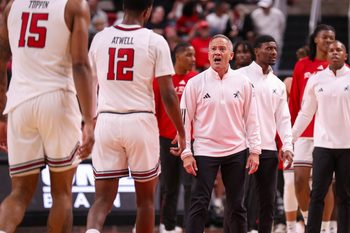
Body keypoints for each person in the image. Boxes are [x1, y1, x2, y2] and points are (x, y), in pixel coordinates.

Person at [85, 1, 186, 233]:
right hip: (140, 120)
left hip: (106, 119)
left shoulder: (100, 38)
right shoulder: (155, 41)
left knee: (101, 200)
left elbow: (89, 83)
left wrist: (89, 121)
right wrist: (182, 132)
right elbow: (169, 94)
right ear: (148, 11)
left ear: (123, 6)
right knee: (146, 202)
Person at [0, 0, 95, 232]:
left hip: (19, 102)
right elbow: (81, 64)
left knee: (19, 193)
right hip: (58, 100)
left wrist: (2, 116)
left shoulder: (12, 6)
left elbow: (1, 59)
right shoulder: (75, 5)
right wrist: (90, 120)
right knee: (61, 193)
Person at [180, 34, 261, 233]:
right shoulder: (195, 83)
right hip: (204, 150)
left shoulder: (243, 82)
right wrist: (186, 153)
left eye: (222, 49)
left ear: (231, 55)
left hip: (236, 150)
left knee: (236, 206)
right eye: (213, 49)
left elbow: (252, 118)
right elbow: (184, 121)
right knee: (198, 203)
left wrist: (255, 150)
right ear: (208, 55)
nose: (217, 52)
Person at [292, 40, 350, 233]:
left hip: (347, 146)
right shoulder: (316, 79)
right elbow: (306, 113)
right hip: (323, 146)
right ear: (327, 55)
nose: (334, 53)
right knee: (317, 194)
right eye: (331, 50)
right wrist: (289, 139)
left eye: (338, 50)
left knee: (345, 196)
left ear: (345, 55)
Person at [238, 35, 293, 233]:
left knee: (267, 202)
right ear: (257, 51)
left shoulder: (278, 84)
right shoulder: (239, 76)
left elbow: (283, 119)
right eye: (269, 48)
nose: (274, 52)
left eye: (275, 49)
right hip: (242, 147)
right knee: (238, 200)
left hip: (268, 149)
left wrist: (287, 146)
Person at [289, 24, 336, 231]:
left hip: (328, 134)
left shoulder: (342, 68)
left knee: (323, 184)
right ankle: (310, 222)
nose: (328, 41)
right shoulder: (302, 65)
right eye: (325, 37)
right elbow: (295, 101)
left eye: (332, 38)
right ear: (315, 39)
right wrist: (289, 134)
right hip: (304, 133)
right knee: (299, 181)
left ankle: (324, 227)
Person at [154, 42, 197, 233]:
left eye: (194, 55)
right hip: (165, 139)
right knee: (168, 186)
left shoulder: (197, 79)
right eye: (189, 55)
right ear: (177, 57)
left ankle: (190, 227)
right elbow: (154, 111)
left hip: (192, 140)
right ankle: (168, 227)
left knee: (191, 187)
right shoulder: (162, 80)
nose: (194, 59)